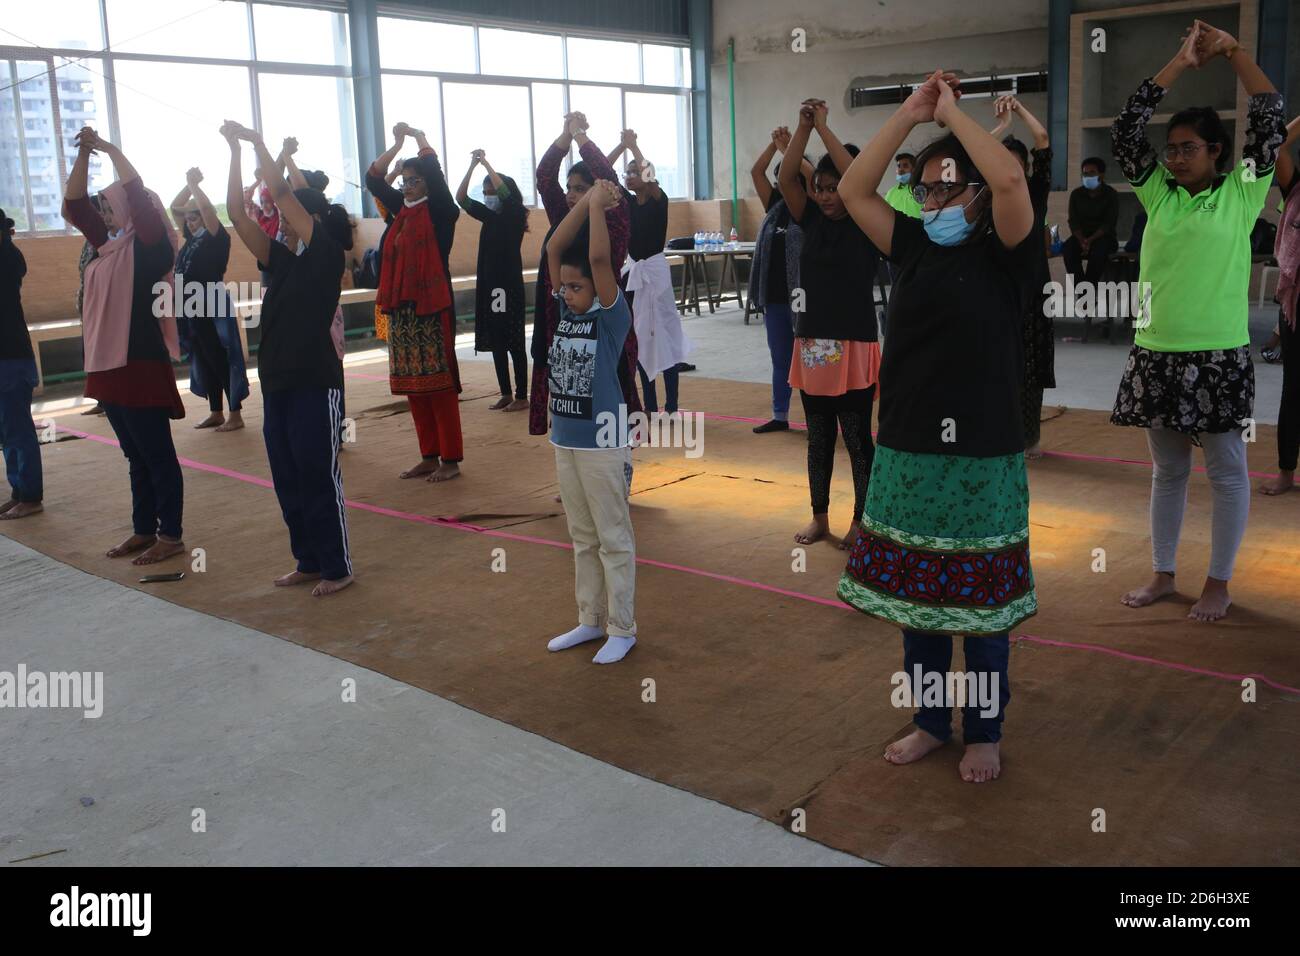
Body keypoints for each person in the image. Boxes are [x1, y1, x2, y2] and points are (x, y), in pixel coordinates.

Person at [836, 70, 1039, 783]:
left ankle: (984, 730)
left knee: (982, 607)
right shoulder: (912, 243)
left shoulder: (1008, 247)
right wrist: (910, 115)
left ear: (978, 195)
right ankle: (930, 719)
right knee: (918, 602)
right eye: (926, 189)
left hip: (983, 455)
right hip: (909, 452)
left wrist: (955, 114)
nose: (936, 201)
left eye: (951, 188)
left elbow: (1012, 183)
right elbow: (855, 189)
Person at [1110, 20, 1285, 622]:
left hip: (1218, 356)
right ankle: (1163, 573)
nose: (1177, 157)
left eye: (1190, 148)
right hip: (1156, 351)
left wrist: (1233, 51)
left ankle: (1219, 581)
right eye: (1172, 148)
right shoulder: (1157, 192)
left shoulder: (1242, 190)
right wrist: (1179, 63)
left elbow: (1267, 109)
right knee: (1168, 471)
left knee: (1228, 473)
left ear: (1217, 151)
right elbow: (1126, 128)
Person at [223, 119, 354, 597]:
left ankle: (337, 566)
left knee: (318, 472)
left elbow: (279, 193)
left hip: (316, 381)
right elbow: (237, 214)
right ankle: (308, 560)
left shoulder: (325, 259)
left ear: (311, 222)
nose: (280, 225)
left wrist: (259, 142)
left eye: (290, 218)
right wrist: (233, 150)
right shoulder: (278, 261)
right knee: (287, 474)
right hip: (277, 381)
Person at [62, 127, 185, 565]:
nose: (106, 214)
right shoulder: (107, 248)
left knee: (156, 454)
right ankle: (143, 529)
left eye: (113, 208)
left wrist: (112, 150)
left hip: (140, 363)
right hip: (107, 365)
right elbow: (73, 206)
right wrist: (84, 157)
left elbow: (137, 196)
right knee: (135, 454)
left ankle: (170, 534)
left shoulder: (153, 249)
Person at [779, 98, 881, 549]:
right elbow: (785, 178)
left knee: (857, 438)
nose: (824, 195)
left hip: (855, 342)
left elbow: (859, 180)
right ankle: (820, 517)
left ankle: (864, 520)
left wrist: (825, 128)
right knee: (818, 436)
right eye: (819, 187)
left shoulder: (866, 218)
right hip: (815, 342)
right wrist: (804, 129)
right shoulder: (810, 218)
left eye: (833, 187)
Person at [543, 179, 638, 664]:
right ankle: (589, 619)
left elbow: (600, 262)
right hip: (566, 437)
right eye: (565, 286)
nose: (568, 293)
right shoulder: (564, 306)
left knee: (612, 538)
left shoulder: (608, 317)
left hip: (603, 441)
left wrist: (598, 208)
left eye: (576, 287)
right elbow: (555, 245)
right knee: (582, 536)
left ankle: (622, 627)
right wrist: (583, 202)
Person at [529, 111, 638, 439]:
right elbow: (544, 177)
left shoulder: (614, 220)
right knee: (566, 396)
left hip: (601, 323)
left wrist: (581, 137)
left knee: (608, 399)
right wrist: (564, 136)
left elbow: (607, 176)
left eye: (580, 188)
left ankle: (616, 468)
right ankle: (574, 458)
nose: (570, 194)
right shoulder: (564, 217)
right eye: (570, 188)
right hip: (562, 320)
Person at [366, 122, 462, 483]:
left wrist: (420, 138)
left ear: (427, 184)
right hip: (403, 312)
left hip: (433, 308)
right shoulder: (400, 210)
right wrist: (395, 144)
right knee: (413, 384)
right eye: (403, 181)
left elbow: (435, 173)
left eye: (413, 180)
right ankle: (428, 454)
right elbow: (373, 178)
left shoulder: (440, 212)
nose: (406, 186)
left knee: (439, 384)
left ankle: (450, 459)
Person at [607, 128, 691, 415]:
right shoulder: (626, 203)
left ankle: (671, 405)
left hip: (655, 272)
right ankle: (650, 404)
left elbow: (649, 176)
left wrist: (635, 148)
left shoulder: (658, 199)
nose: (629, 176)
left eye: (634, 172)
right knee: (640, 336)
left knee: (664, 335)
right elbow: (602, 172)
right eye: (627, 173)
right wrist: (622, 146)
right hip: (633, 273)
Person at [991, 95, 1055, 459]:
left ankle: (1028, 440)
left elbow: (1043, 138)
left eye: (1017, 164)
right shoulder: (987, 195)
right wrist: (1000, 128)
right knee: (998, 360)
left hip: (1032, 286)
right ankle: (999, 431)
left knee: (1030, 366)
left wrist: (1017, 111)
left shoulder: (1035, 191)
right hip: (998, 284)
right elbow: (971, 154)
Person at [169, 167, 249, 432]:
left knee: (221, 356)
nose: (190, 222)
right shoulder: (191, 238)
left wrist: (195, 187)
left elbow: (208, 212)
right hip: (191, 305)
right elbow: (174, 207)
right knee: (203, 357)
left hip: (210, 302)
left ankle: (235, 413)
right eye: (188, 219)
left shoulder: (216, 237)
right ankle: (216, 410)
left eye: (195, 218)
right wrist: (186, 184)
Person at [749, 127, 812, 433]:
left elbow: (813, 179)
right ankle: (780, 415)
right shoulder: (774, 205)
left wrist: (791, 151)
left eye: (787, 177)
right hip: (775, 297)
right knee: (781, 357)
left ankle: (817, 416)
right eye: (779, 178)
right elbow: (755, 171)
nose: (781, 184)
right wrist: (775, 145)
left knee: (811, 357)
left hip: (805, 297)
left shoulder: (811, 209)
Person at [457, 149, 529, 411]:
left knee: (515, 341)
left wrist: (487, 164)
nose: (488, 197)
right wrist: (471, 166)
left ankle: (522, 395)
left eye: (492, 192)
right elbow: (461, 198)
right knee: (498, 340)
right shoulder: (488, 217)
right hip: (492, 288)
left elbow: (507, 197)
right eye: (485, 192)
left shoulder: (514, 215)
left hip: (508, 287)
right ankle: (506, 392)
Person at [1258, 113, 1300, 496]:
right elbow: (1276, 143)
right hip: (1296, 308)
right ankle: (1287, 473)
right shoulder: (1296, 190)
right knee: (1294, 390)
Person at [0, 208, 43, 519]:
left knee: (17, 429)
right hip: (6, 356)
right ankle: (18, 491)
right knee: (7, 430)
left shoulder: (8, 259)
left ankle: (30, 495)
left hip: (11, 357)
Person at [1062, 157, 1119, 288]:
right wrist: (1082, 240)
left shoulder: (1111, 194)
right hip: (1081, 237)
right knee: (1068, 250)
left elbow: (1109, 223)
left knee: (1099, 253)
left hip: (1104, 237)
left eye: (1092, 173)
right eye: (1085, 173)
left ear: (1102, 175)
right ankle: (1083, 292)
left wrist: (1091, 240)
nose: (1088, 176)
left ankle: (1088, 291)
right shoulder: (1076, 194)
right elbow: (1073, 221)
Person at [884, 152, 923, 219]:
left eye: (905, 166)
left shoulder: (923, 189)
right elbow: (885, 215)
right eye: (899, 166)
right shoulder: (891, 192)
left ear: (915, 169)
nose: (900, 170)